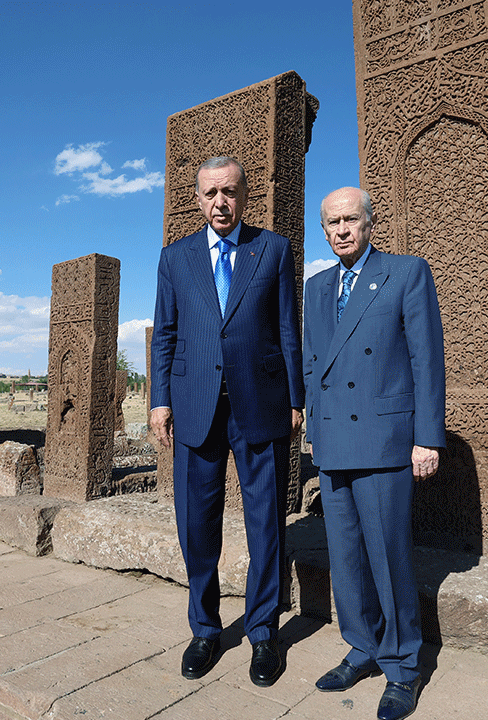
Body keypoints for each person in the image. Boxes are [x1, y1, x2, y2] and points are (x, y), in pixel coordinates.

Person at [149, 156, 304, 687]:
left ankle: (263, 632)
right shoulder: (176, 258)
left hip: (259, 402)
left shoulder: (273, 249)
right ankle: (205, 628)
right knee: (197, 522)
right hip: (194, 405)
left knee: (265, 521)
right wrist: (159, 400)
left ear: (244, 197)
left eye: (230, 192)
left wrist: (296, 398)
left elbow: (288, 327)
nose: (221, 202)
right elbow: (165, 335)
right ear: (197, 199)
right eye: (211, 192)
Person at [302, 187, 446, 720]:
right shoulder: (317, 287)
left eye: (350, 220)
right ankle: (361, 646)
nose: (342, 229)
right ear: (324, 230)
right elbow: (314, 364)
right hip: (334, 441)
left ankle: (403, 666)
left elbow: (427, 360)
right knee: (345, 557)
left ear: (369, 222)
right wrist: (313, 428)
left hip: (385, 441)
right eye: (332, 222)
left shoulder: (406, 273)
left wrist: (427, 437)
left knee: (389, 558)